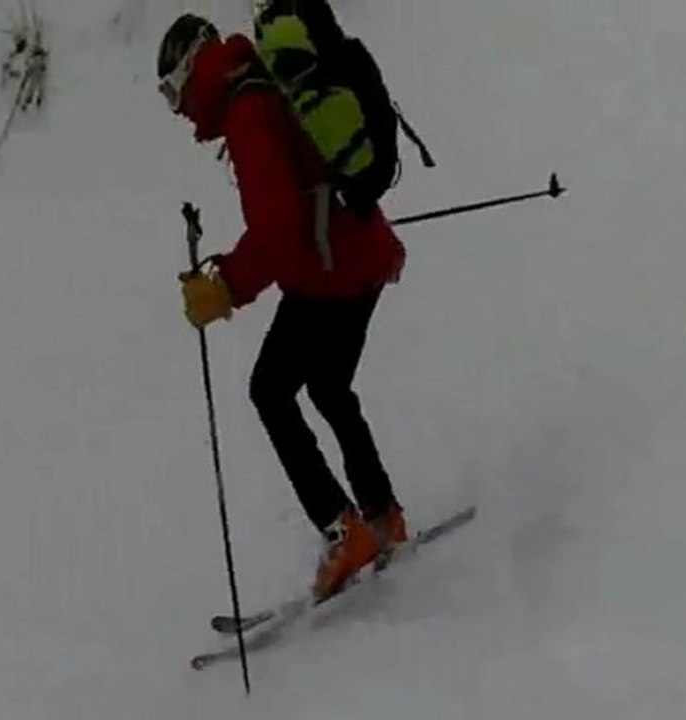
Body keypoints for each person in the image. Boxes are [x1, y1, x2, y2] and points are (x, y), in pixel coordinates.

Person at [157, 13, 407, 600]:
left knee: (270, 390)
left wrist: (225, 287)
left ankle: (345, 530)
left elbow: (279, 230)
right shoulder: (261, 81)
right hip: (359, 257)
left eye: (172, 91)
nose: (179, 110)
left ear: (192, 69)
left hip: (331, 272)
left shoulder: (247, 113)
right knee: (328, 387)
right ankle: (382, 517)